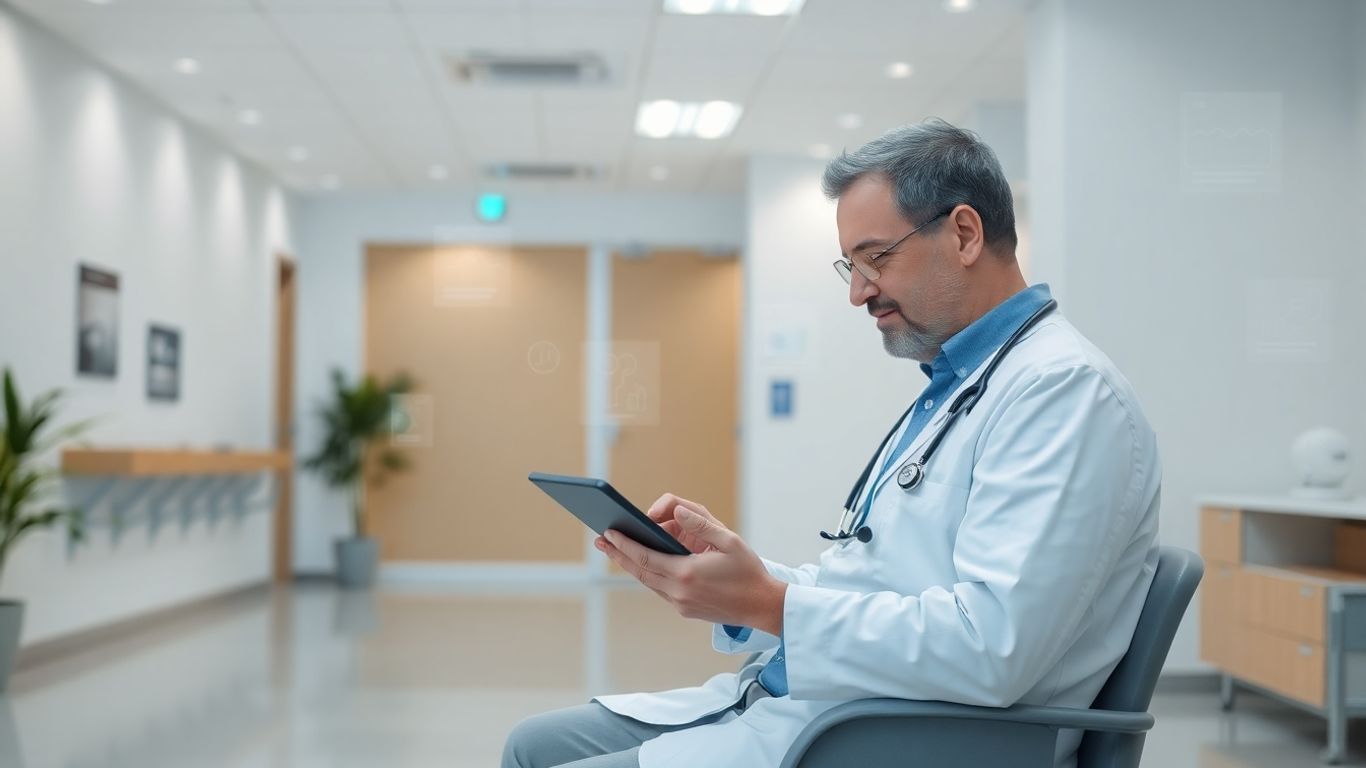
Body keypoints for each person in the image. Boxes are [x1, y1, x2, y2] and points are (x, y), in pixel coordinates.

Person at [503, 118, 1160, 768]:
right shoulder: (963, 385)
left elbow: (994, 648)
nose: (857, 292)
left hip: (894, 736)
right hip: (832, 705)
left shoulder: (1064, 393)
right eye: (852, 265)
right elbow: (878, 579)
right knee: (532, 744)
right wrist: (748, 579)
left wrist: (768, 602)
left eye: (876, 258)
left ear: (964, 233)